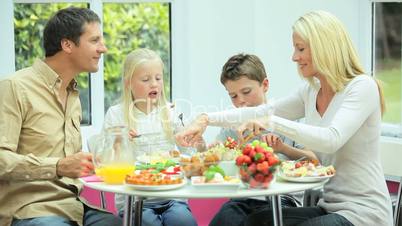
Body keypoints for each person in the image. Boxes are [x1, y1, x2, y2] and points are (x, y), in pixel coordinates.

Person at [176, 10, 393, 226]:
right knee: (252, 222)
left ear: (323, 47)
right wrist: (205, 119)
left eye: (300, 48)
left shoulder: (362, 86)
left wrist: (270, 121)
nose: (294, 57)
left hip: (364, 213)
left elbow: (331, 139)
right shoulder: (310, 92)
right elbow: (260, 112)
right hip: (330, 206)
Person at [0, 7, 122, 226]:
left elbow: (69, 161)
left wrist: (109, 151)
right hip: (29, 210)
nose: (103, 49)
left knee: (114, 222)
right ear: (67, 45)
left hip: (72, 204)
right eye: (94, 41)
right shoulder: (15, 87)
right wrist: (57, 166)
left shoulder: (72, 95)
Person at [210, 53, 317, 226]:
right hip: (243, 197)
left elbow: (313, 158)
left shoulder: (287, 119)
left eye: (246, 92)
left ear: (265, 85)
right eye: (233, 96)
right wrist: (213, 151)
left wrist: (283, 148)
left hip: (282, 198)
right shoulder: (233, 124)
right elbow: (214, 159)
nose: (241, 102)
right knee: (223, 219)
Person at [102, 48, 197, 226]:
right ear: (128, 83)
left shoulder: (172, 112)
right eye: (146, 79)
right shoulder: (116, 115)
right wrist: (118, 143)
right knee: (147, 223)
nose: (154, 84)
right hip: (134, 200)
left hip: (172, 196)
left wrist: (191, 141)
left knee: (184, 222)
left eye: (158, 78)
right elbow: (104, 161)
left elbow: (192, 156)